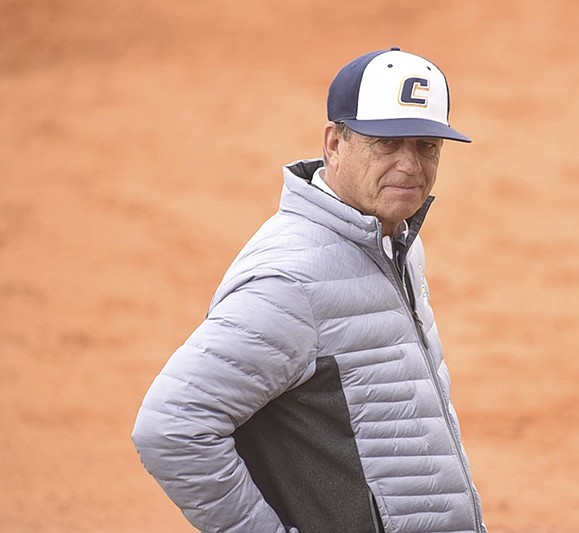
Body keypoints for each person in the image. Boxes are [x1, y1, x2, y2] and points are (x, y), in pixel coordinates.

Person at [132, 47, 488, 533]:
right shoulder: (291, 281)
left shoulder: (392, 240)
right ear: (334, 143)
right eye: (387, 143)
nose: (411, 165)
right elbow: (172, 427)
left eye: (427, 145)